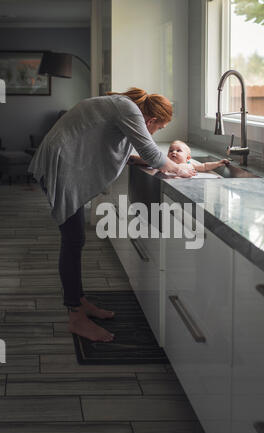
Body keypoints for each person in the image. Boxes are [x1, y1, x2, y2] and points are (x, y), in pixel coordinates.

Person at [28, 87, 196, 343]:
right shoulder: (128, 109)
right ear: (151, 120)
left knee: (75, 240)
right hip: (60, 166)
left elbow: (129, 151)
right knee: (72, 241)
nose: (154, 132)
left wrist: (149, 162)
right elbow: (151, 152)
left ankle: (79, 302)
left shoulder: (122, 106)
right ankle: (75, 317)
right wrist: (181, 169)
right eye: (158, 128)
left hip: (60, 161)